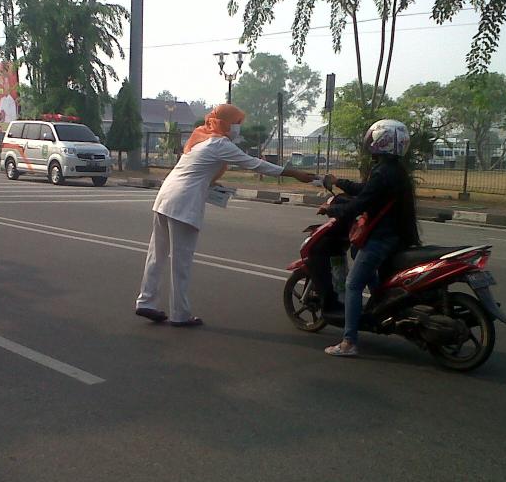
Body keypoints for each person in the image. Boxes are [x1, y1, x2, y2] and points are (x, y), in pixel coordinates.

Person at [136, 104, 316, 327]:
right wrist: (295, 173)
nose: (238, 128)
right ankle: (179, 314)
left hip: (165, 198)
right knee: (181, 262)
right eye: (236, 123)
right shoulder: (219, 144)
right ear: (225, 122)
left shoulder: (201, 138)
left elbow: (197, 172)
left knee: (157, 255)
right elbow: (255, 164)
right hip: (184, 203)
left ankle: (146, 301)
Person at [323, 119, 420, 356]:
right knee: (357, 252)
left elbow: (362, 203)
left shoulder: (383, 172)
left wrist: (333, 210)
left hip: (383, 237)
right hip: (399, 235)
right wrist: (339, 183)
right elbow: (367, 191)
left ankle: (348, 342)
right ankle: (380, 302)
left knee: (353, 284)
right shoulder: (395, 170)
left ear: (379, 142)